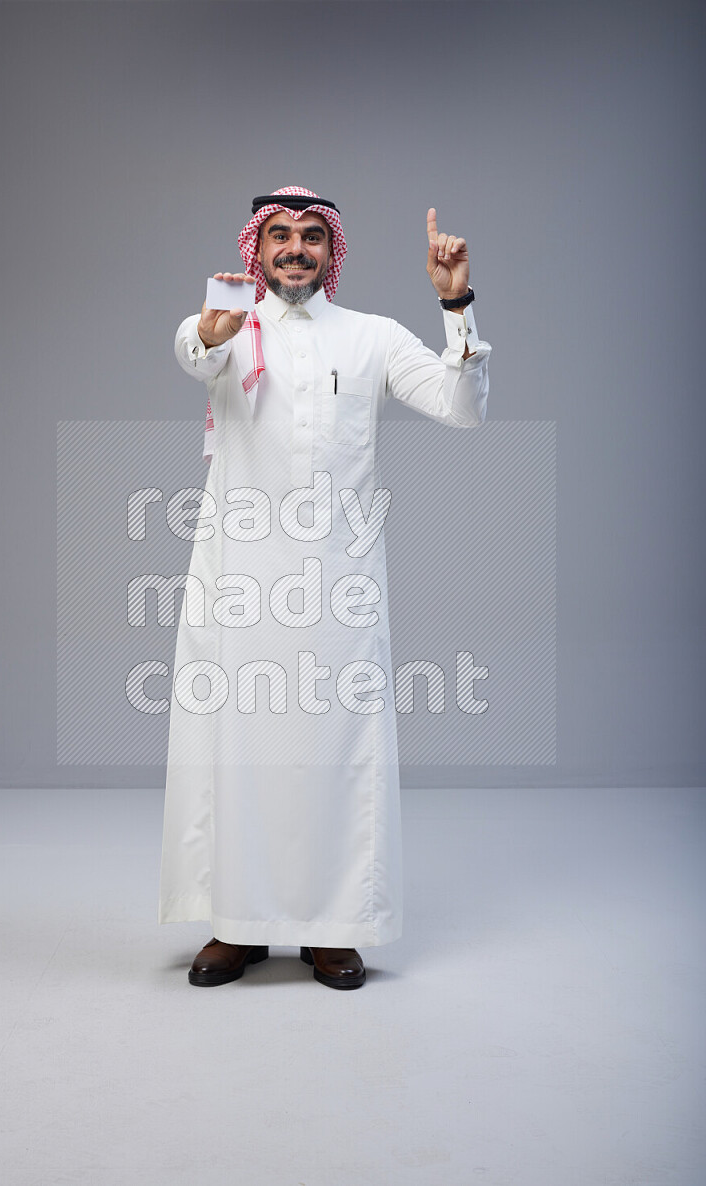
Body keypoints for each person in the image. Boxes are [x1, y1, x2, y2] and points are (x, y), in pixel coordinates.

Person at [159, 186, 491, 989]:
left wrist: (457, 307)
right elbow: (190, 350)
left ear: (331, 251)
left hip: (338, 581)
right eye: (280, 236)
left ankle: (334, 928)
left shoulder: (371, 337)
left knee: (338, 753)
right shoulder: (229, 325)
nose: (296, 249)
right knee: (238, 750)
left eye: (312, 237)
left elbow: (462, 406)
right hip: (240, 580)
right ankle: (236, 927)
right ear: (258, 248)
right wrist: (211, 331)